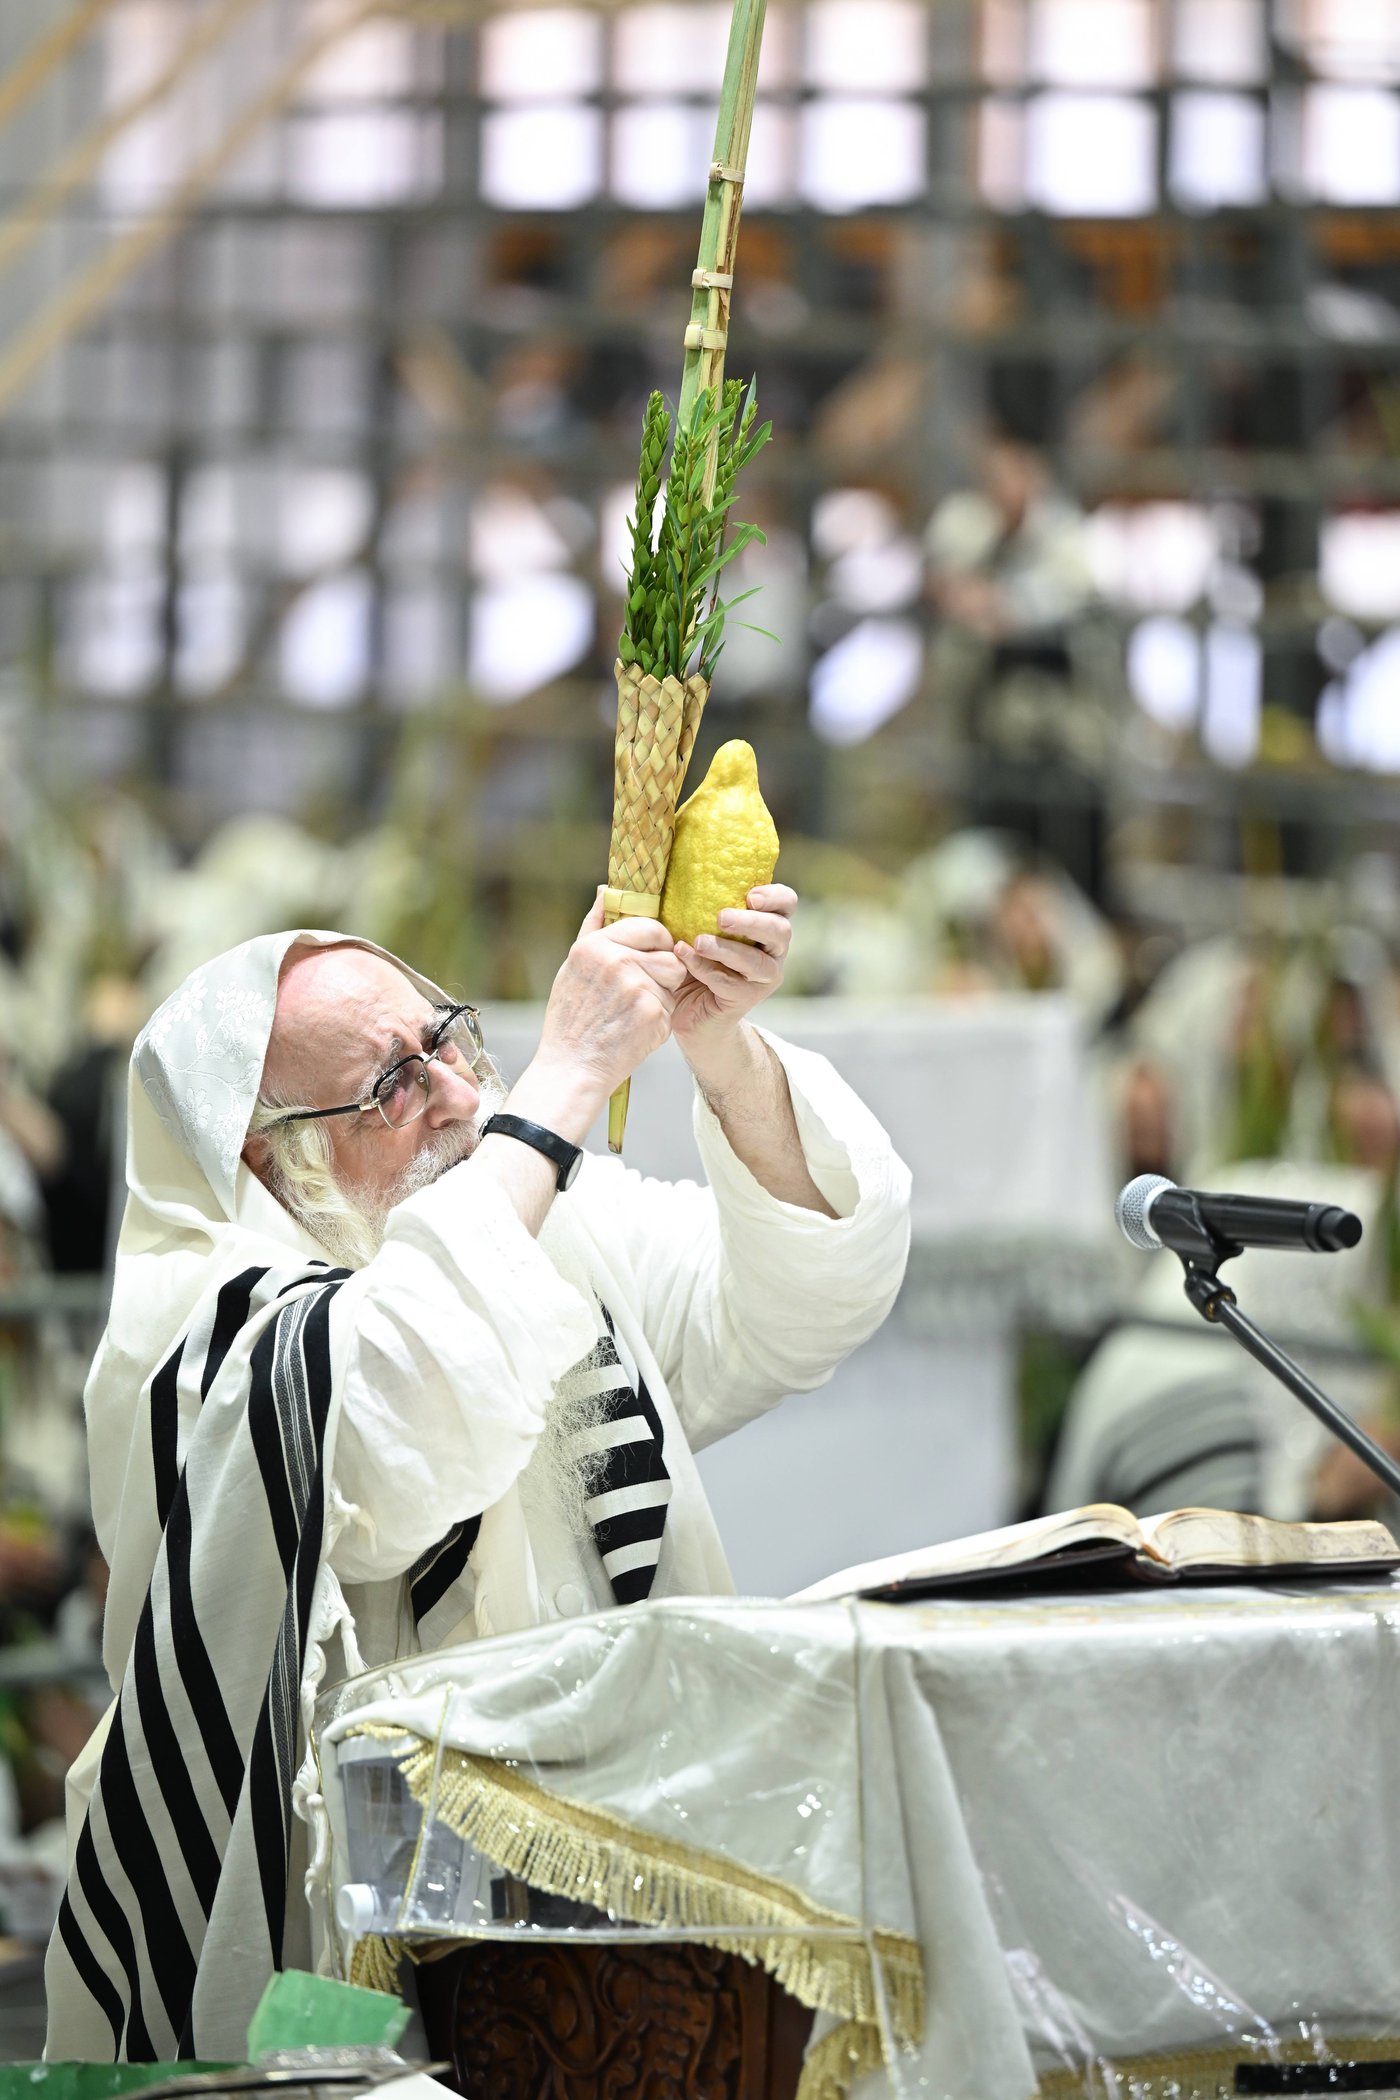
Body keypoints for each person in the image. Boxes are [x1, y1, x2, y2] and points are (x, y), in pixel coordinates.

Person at [45, 884, 911, 2060]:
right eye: (391, 1085)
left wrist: (717, 1044)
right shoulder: (198, 1324)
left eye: (446, 1039)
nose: (457, 1097)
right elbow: (395, 1425)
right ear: (267, 1162)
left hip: (632, 1908)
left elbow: (799, 1301)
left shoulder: (534, 1221)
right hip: (354, 1957)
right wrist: (560, 1080)